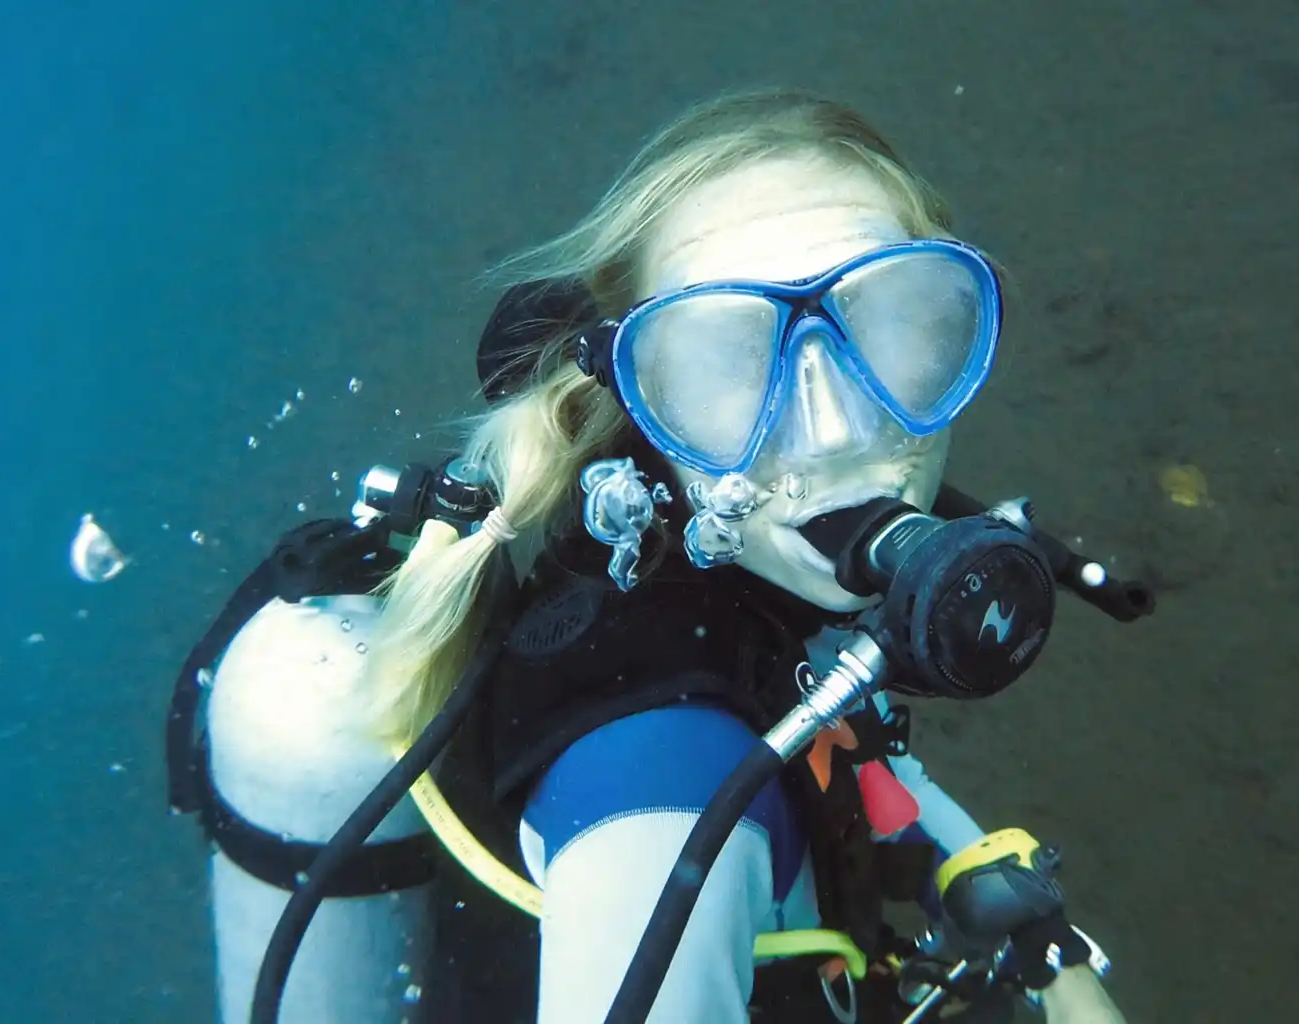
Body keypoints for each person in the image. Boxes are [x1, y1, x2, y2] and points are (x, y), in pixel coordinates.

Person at [357, 90, 1130, 1023]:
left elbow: (855, 740)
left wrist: (995, 898)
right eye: (726, 362)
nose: (838, 431)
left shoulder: (736, 574)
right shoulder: (666, 804)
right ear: (645, 408)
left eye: (894, 322)